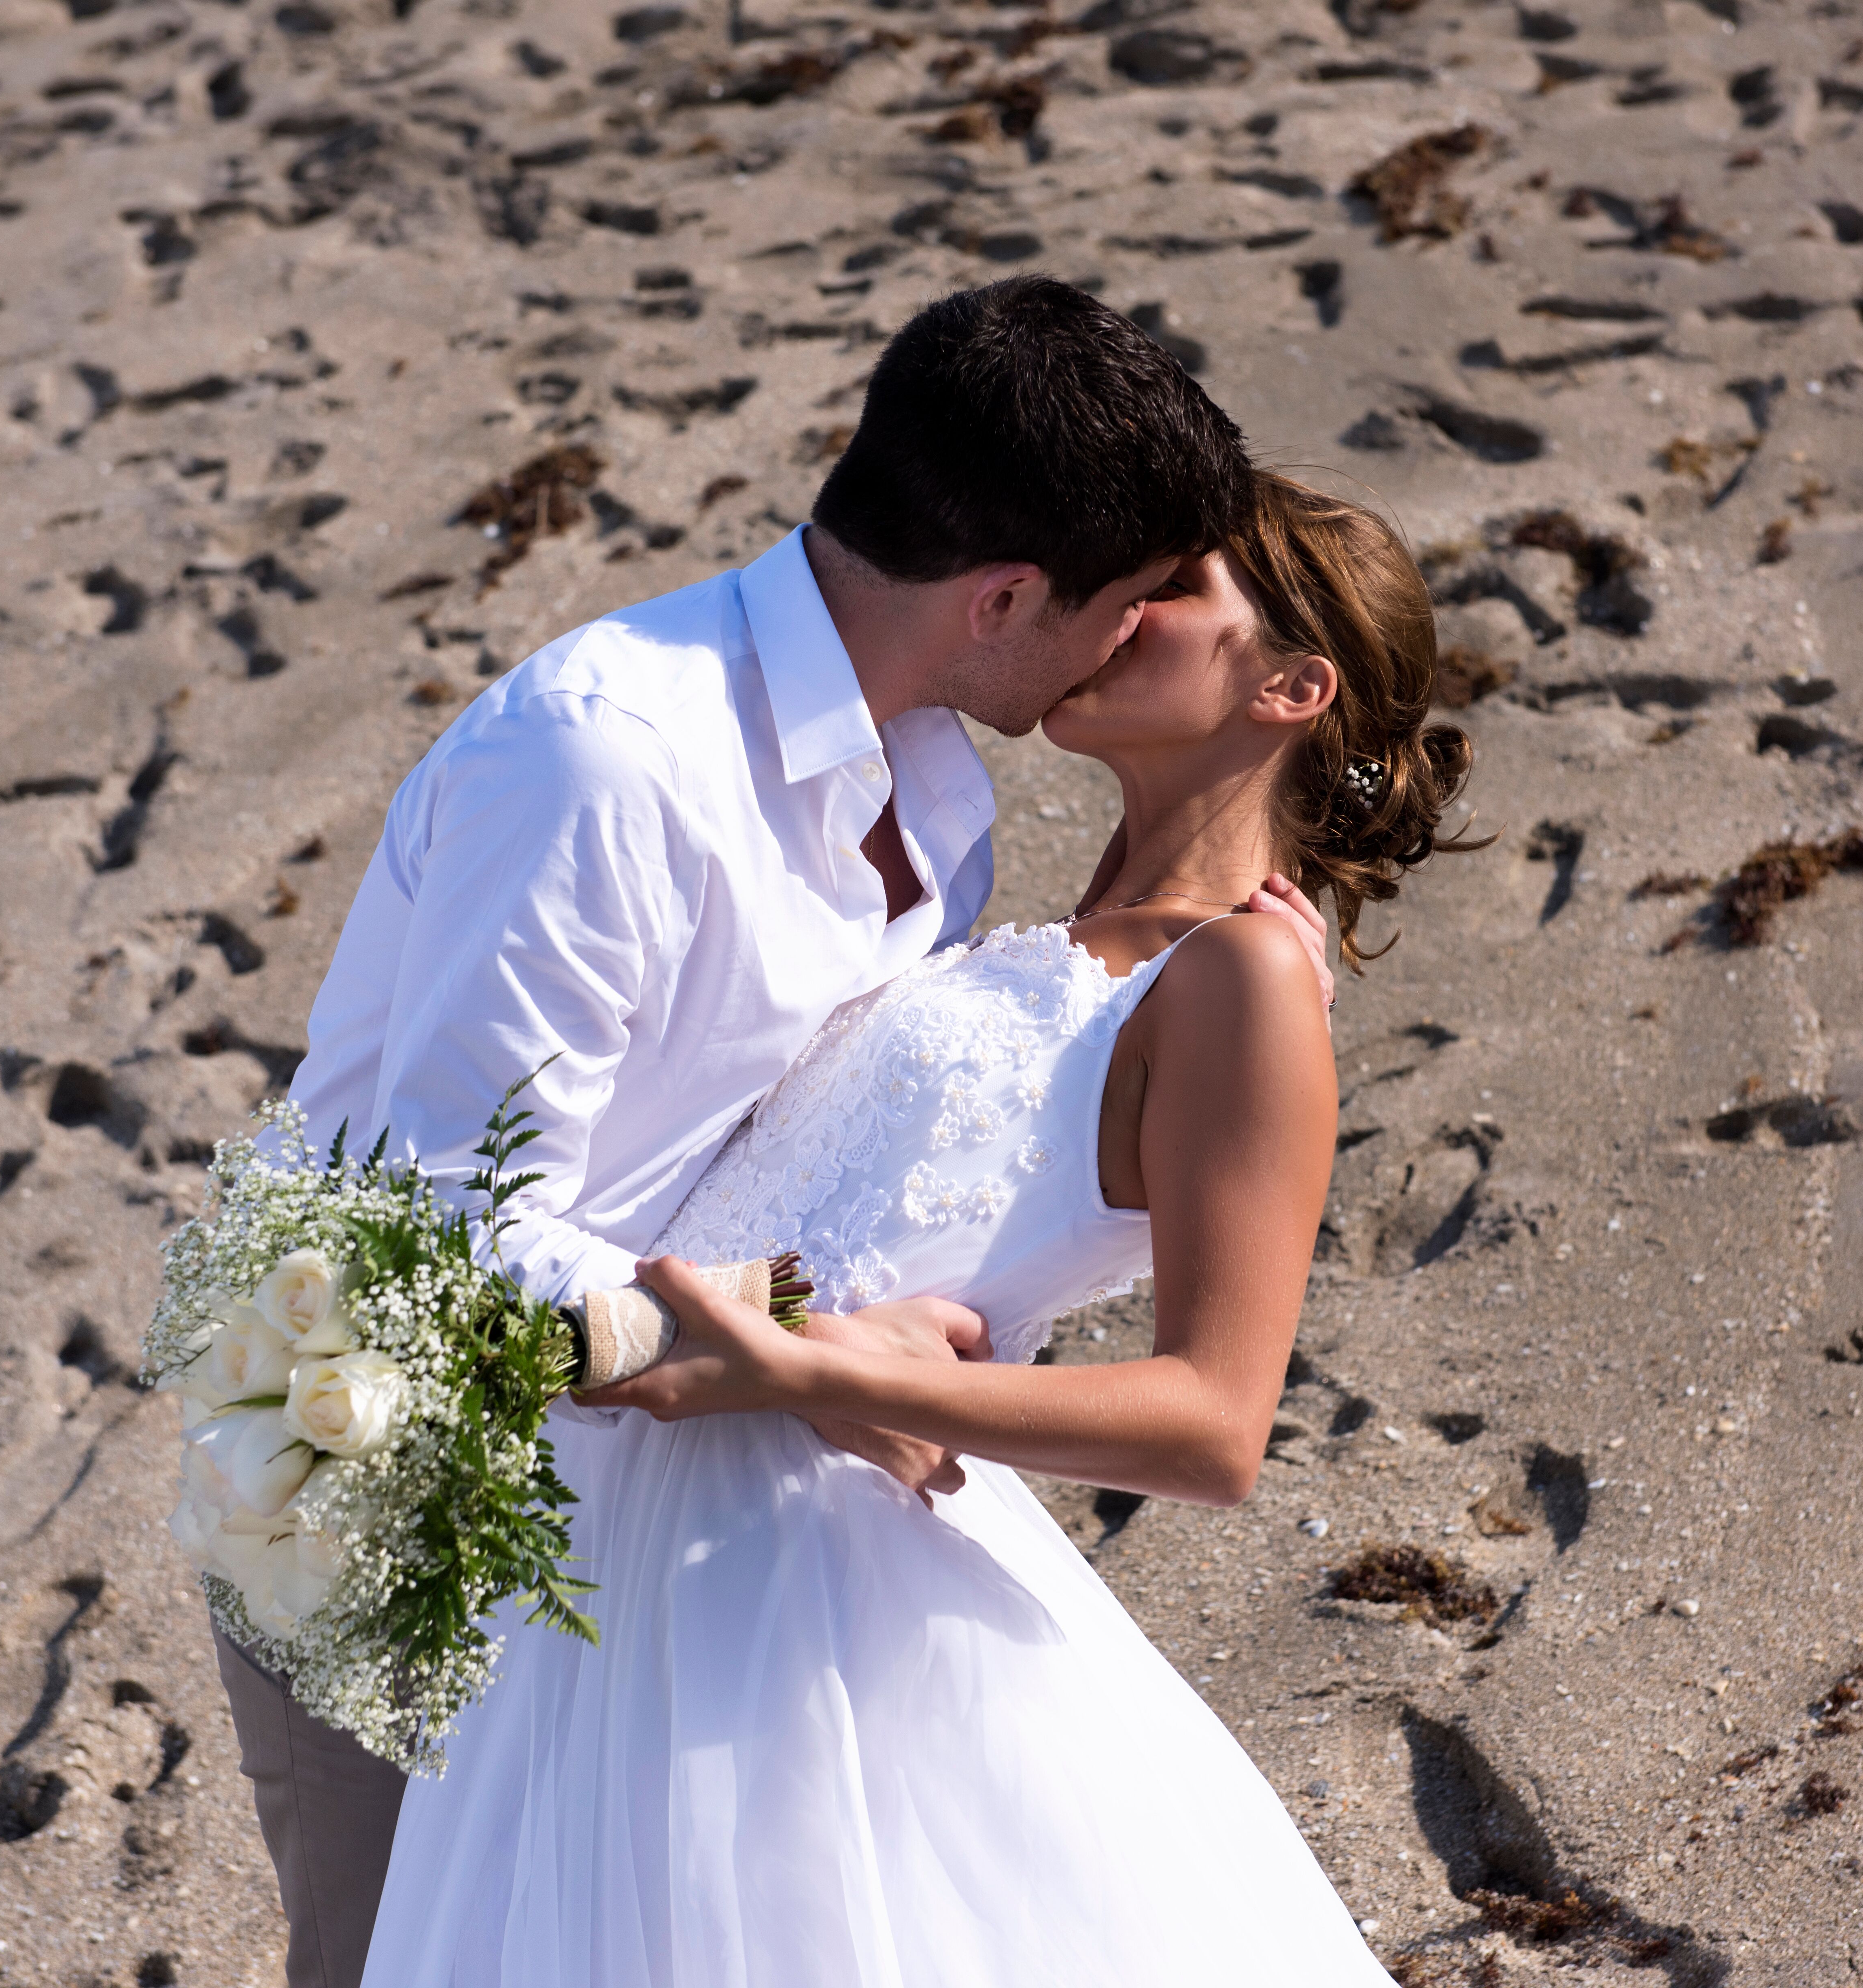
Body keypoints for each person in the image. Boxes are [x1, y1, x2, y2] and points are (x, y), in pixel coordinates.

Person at [210, 276, 1321, 1988]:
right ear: (1004, 593)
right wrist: (795, 1340)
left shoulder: (937, 793)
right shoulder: (609, 769)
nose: (1129, 643)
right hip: (392, 1491)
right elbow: (423, 1225)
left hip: (678, 1524)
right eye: (1123, 606)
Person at [363, 472, 1485, 1987]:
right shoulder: (1031, 911)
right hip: (633, 1528)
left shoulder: (1243, 982)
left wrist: (821, 1378)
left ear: (1290, 686)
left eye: (1178, 594)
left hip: (816, 1601)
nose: (1122, 611)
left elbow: (1215, 1423)